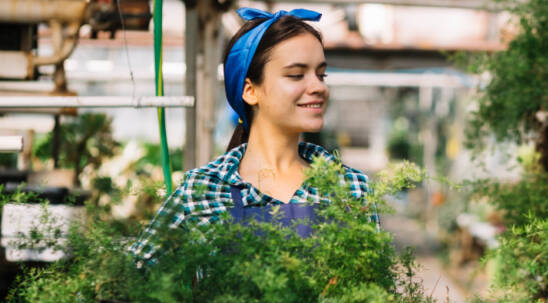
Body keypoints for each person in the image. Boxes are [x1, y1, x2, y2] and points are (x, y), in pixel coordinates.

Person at [129, 8, 377, 267]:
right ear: (250, 90)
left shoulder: (350, 187)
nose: (318, 87)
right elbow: (131, 280)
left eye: (321, 74)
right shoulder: (203, 191)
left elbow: (375, 296)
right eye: (296, 75)